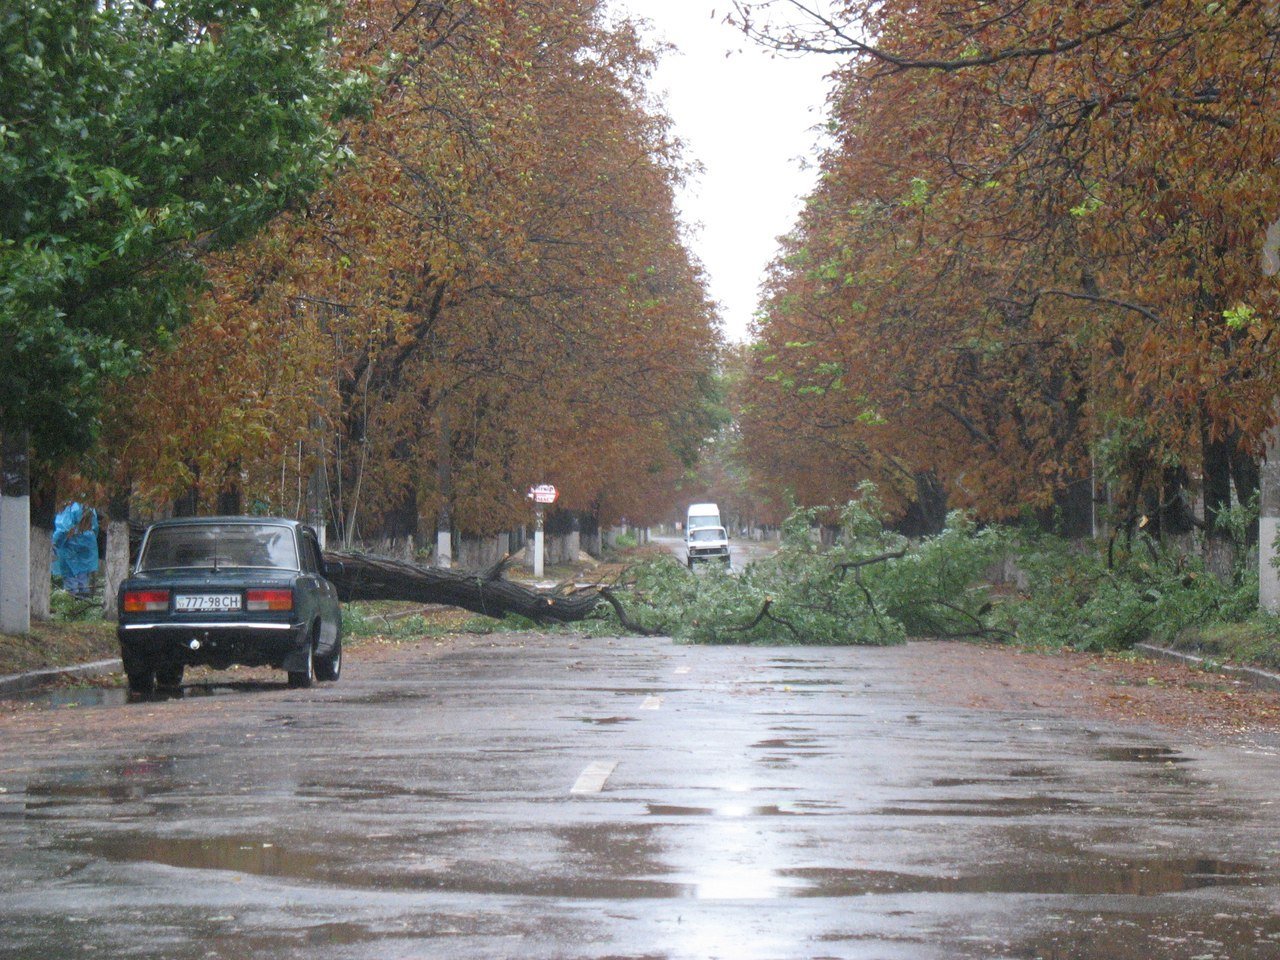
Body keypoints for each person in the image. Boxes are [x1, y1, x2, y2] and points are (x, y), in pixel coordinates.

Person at [53, 501, 99, 597]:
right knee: (83, 574)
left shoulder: (68, 508)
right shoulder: (88, 506)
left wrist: (55, 543)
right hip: (87, 544)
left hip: (69, 545)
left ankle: (73, 600)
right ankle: (83, 600)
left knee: (70, 576)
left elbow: (63, 528)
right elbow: (95, 527)